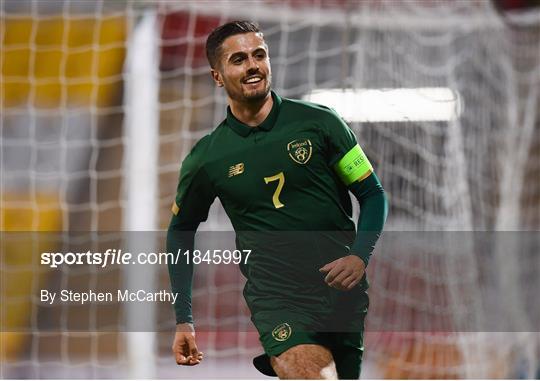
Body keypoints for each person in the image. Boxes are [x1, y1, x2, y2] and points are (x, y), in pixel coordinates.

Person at [167, 21, 388, 379]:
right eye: (238, 59)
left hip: (342, 294)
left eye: (259, 55)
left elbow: (372, 193)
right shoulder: (207, 158)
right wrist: (184, 319)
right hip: (277, 297)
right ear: (218, 76)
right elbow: (180, 232)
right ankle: (284, 355)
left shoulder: (320, 124)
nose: (253, 65)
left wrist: (360, 256)